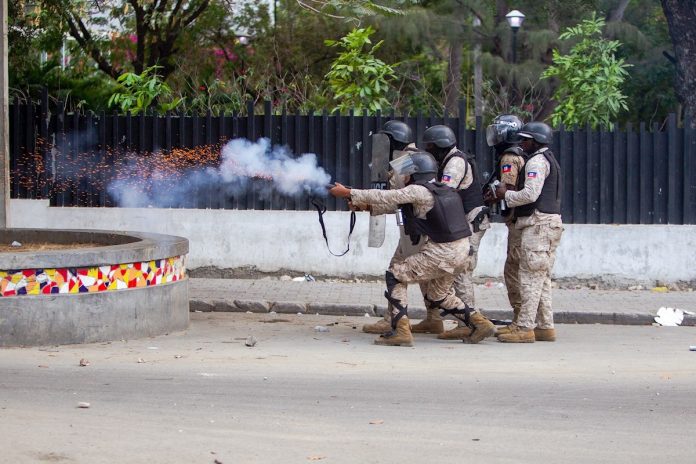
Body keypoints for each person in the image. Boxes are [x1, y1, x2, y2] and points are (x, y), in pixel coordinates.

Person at [329, 152, 496, 347]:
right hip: (462, 251)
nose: (404, 178)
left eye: (407, 174)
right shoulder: (442, 189)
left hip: (443, 251)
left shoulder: (419, 190)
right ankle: (480, 324)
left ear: (417, 173)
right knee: (438, 295)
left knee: (395, 275)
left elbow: (386, 196)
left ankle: (401, 330)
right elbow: (401, 206)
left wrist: (349, 193)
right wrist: (366, 207)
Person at [493, 122, 563, 343]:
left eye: (526, 140)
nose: (522, 143)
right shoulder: (548, 158)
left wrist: (505, 195)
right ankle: (545, 326)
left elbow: (530, 194)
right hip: (548, 223)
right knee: (541, 278)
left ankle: (524, 328)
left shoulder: (537, 161)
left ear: (536, 141)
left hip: (538, 223)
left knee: (529, 277)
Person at [419, 125, 490, 340]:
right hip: (462, 223)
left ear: (441, 146)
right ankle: (447, 320)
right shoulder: (448, 159)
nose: (429, 151)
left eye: (431, 147)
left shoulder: (456, 162)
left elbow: (444, 189)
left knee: (461, 271)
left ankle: (468, 323)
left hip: (470, 222)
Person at [361, 120, 429, 335]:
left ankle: (393, 320)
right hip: (423, 225)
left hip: (416, 227)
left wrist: (367, 204)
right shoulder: (414, 156)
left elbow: (397, 198)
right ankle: (434, 318)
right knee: (427, 277)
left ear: (392, 140)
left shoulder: (404, 161)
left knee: (396, 270)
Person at [482, 115, 527, 331]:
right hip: (522, 220)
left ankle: (521, 319)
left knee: (513, 270)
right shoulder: (523, 153)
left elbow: (505, 190)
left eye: (498, 131)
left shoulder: (509, 157)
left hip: (519, 221)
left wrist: (490, 196)